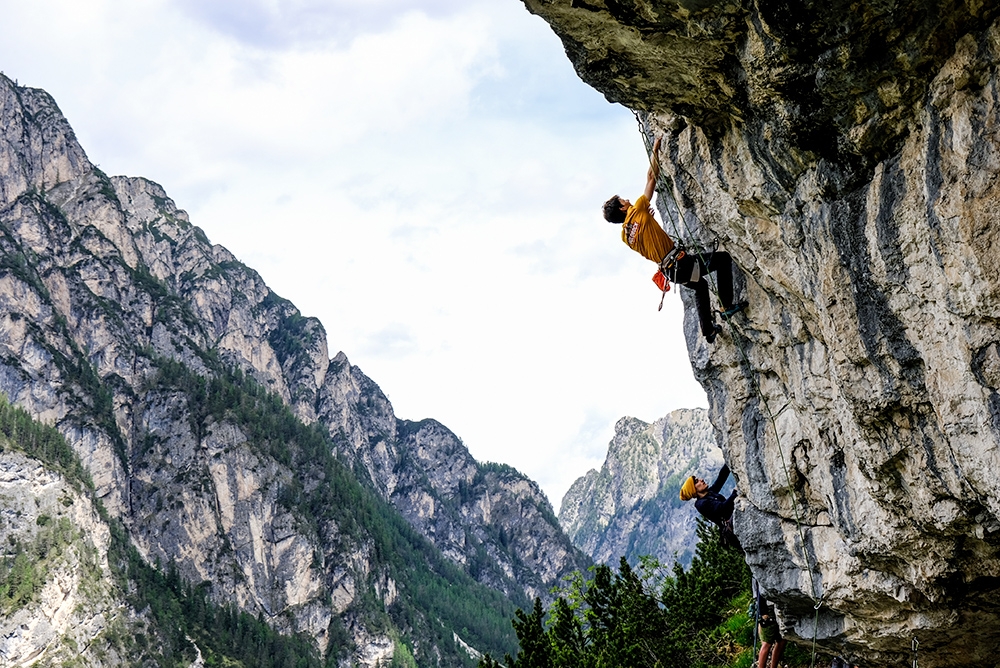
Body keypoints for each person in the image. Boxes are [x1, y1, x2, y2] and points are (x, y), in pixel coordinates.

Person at [602, 136, 746, 343]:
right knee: (723, 260)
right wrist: (655, 149)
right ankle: (726, 306)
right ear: (623, 208)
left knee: (700, 287)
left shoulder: (625, 236)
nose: (627, 199)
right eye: (623, 200)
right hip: (681, 263)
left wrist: (647, 219)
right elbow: (651, 177)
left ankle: (708, 330)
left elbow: (644, 235)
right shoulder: (638, 210)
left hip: (672, 271)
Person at [679, 463, 741, 549]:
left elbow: (721, 478)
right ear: (694, 490)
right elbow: (723, 508)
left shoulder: (709, 493)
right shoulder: (701, 504)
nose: (701, 480)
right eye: (697, 481)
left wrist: (728, 462)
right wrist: (735, 492)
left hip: (735, 524)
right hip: (733, 530)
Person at [756, 594, 787, 668]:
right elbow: (761, 590)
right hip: (769, 609)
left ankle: (773, 666)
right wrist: (763, 611)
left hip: (780, 606)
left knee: (782, 640)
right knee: (767, 643)